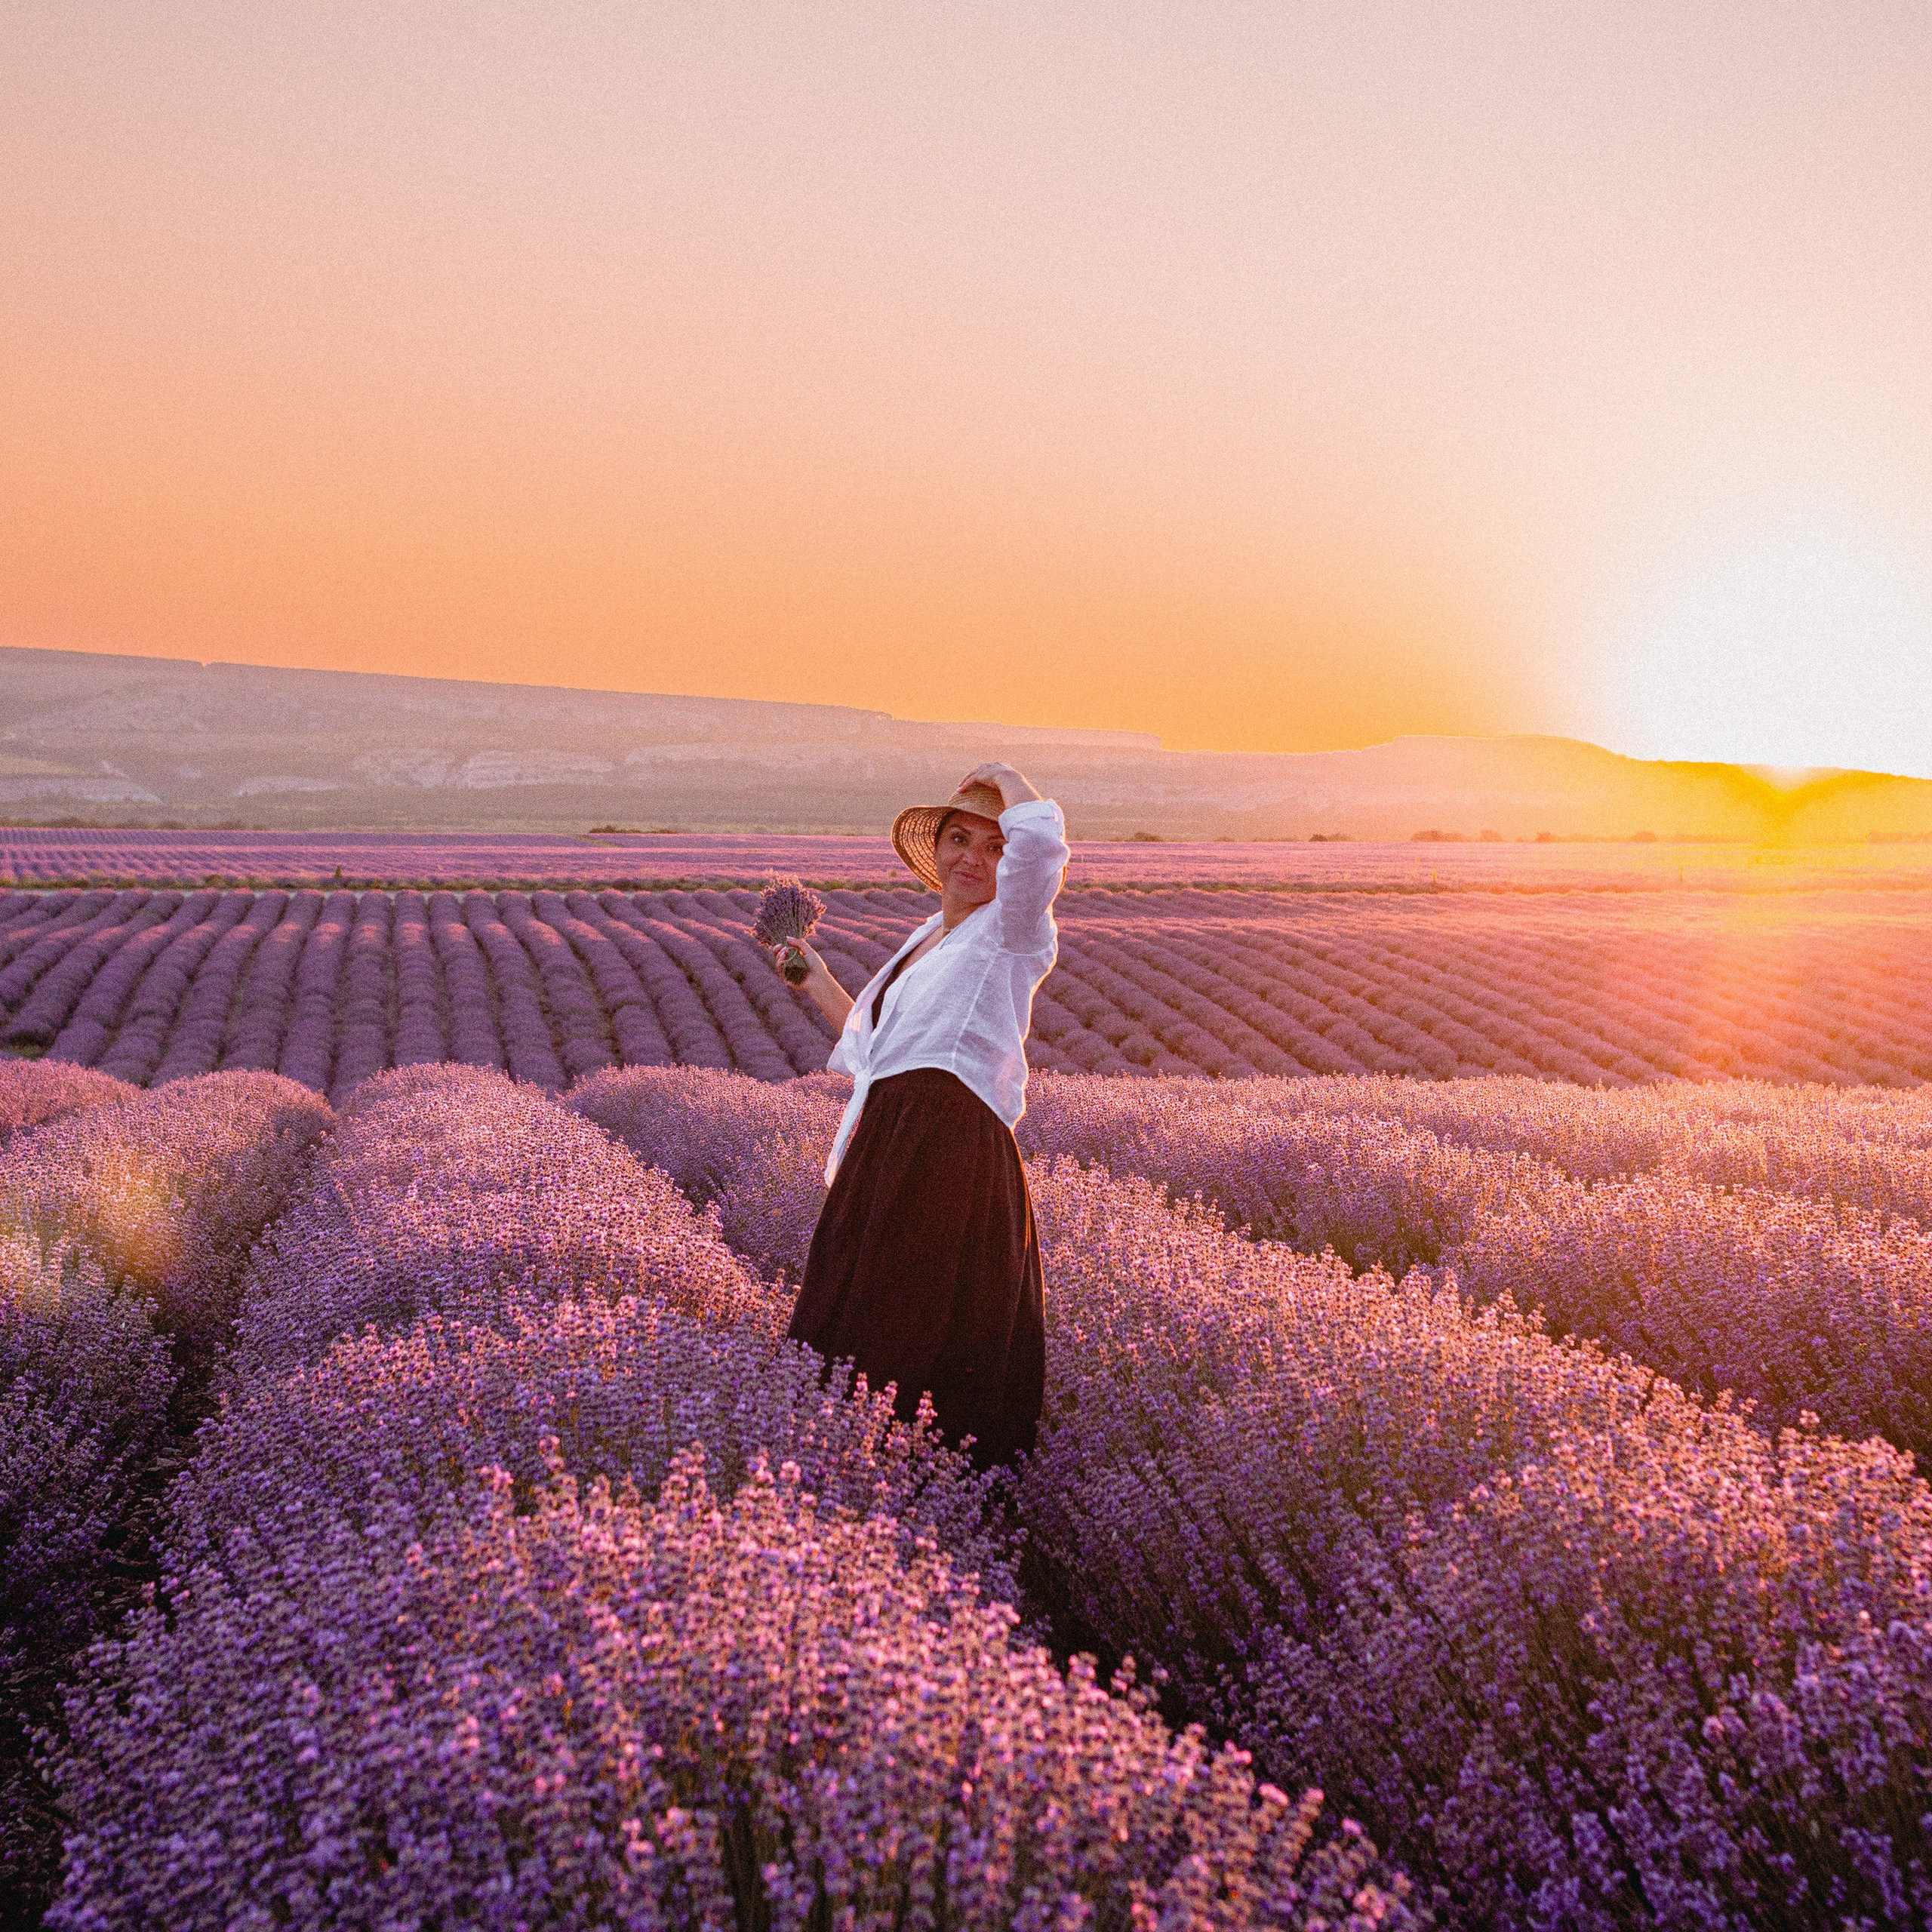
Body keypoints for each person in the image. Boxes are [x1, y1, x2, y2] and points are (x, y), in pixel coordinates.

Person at [769, 759, 1068, 1468]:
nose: (974, 858)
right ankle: (838, 1482)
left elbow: (1044, 844)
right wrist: (809, 975)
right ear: (934, 851)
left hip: (949, 1152)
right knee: (856, 1324)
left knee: (913, 1329)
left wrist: (1008, 775)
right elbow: (882, 1052)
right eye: (959, 839)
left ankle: (921, 1504)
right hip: (893, 1142)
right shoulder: (926, 938)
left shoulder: (1014, 929)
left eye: (994, 846)